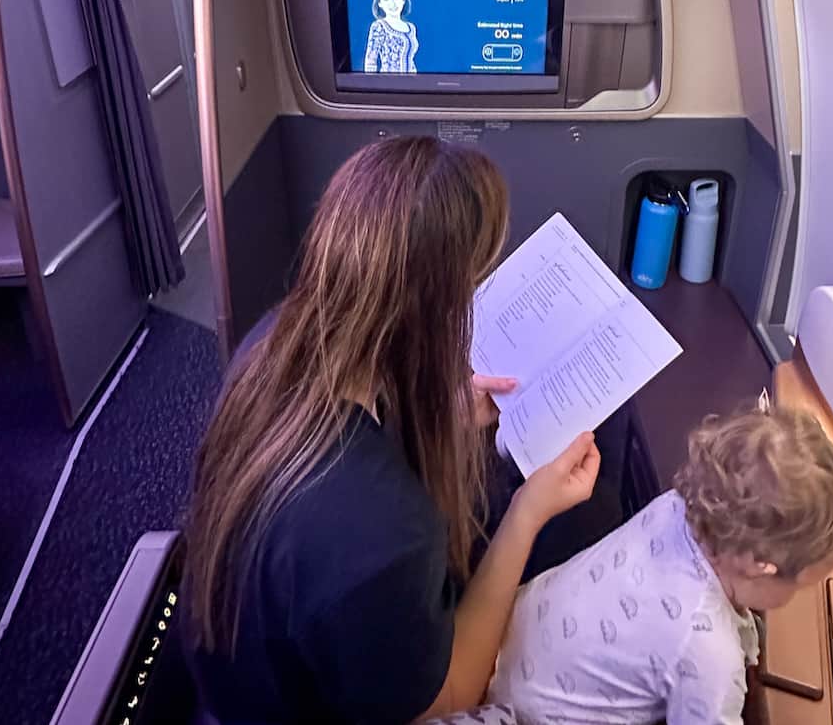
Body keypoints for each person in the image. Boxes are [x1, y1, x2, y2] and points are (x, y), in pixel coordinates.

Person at [182, 136, 630, 723]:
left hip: (251, 677)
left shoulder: (269, 343)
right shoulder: (384, 531)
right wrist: (527, 512)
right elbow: (443, 702)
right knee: (569, 526)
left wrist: (436, 409)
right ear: (440, 310)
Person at [488, 400, 833, 724]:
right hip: (523, 717)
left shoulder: (682, 504)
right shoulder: (709, 654)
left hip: (502, 644)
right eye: (799, 586)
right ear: (760, 565)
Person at [363, 0, 418, 73]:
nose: (392, 4)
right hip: (389, 84)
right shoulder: (378, 26)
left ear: (403, 0)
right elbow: (370, 61)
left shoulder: (411, 28)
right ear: (379, 3)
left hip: (413, 84)